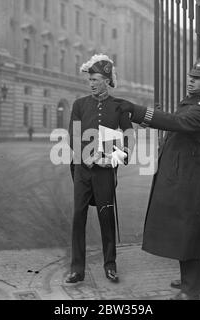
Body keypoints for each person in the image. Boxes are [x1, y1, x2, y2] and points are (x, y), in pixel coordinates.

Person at [116, 56, 200, 300]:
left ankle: (191, 291)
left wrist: (138, 111)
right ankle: (194, 281)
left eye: (198, 79)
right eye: (191, 78)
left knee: (188, 230)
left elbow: (174, 122)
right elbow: (174, 122)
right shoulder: (190, 105)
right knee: (185, 229)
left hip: (189, 179)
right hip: (183, 176)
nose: (191, 82)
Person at [66, 54, 134, 285]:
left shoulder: (119, 107)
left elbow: (127, 138)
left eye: (96, 79)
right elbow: (73, 137)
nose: (92, 83)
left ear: (107, 80)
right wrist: (88, 157)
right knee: (78, 217)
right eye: (90, 80)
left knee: (106, 217)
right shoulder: (79, 105)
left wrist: (114, 157)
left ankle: (110, 265)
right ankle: (77, 269)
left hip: (105, 172)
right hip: (82, 170)